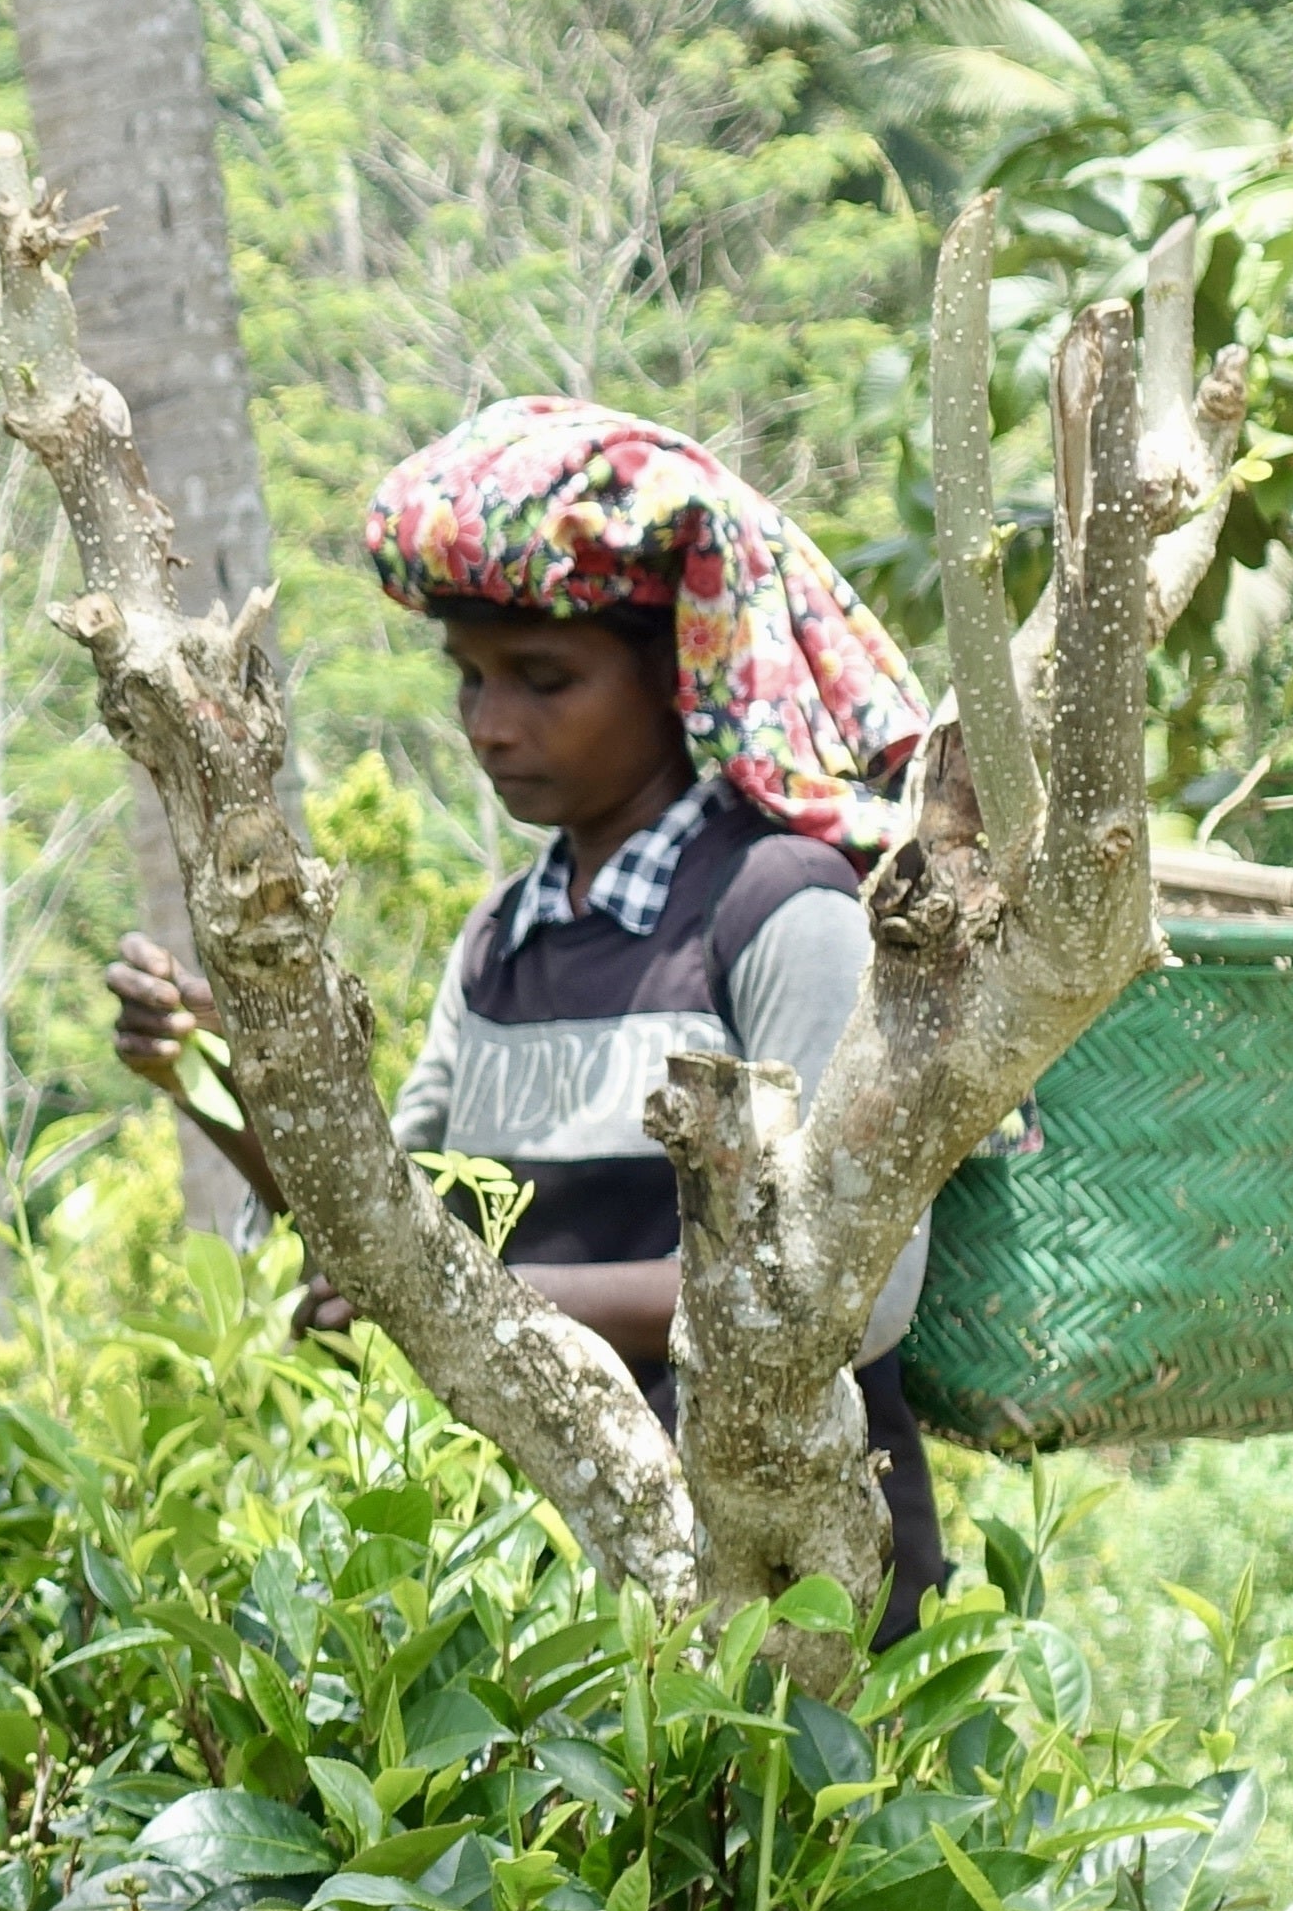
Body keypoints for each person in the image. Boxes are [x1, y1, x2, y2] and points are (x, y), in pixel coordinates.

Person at [108, 395, 953, 1622]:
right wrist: (226, 1078)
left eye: (545, 680)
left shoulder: (782, 908)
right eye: (470, 679)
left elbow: (850, 1296)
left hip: (793, 1591)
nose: (491, 727)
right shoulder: (499, 943)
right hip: (554, 1577)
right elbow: (386, 1224)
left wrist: (499, 1309)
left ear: (678, 674)